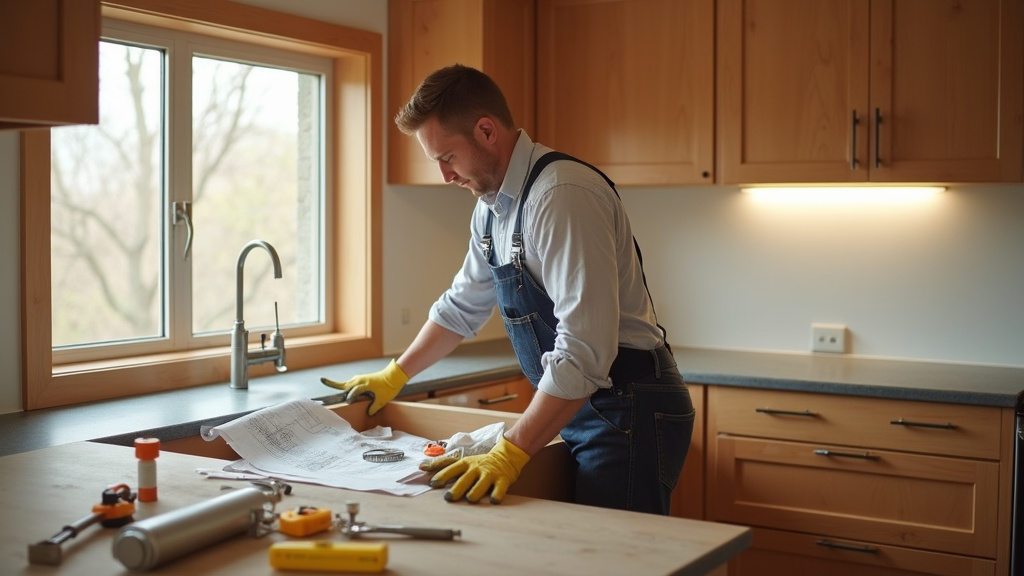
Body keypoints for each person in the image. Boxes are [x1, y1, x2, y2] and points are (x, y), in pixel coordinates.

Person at [322, 64, 694, 515]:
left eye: (447, 157)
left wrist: (511, 452)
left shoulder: (562, 195)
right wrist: (395, 375)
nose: (445, 175)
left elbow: (584, 349)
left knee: (616, 551)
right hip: (580, 404)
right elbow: (461, 307)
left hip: (629, 408)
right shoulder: (491, 208)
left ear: (486, 131)